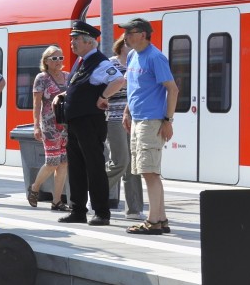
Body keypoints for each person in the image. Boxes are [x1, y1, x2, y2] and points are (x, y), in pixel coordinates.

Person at [59, 21, 126, 226]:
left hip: (90, 121)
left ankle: (101, 212)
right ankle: (78, 209)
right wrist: (62, 95)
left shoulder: (99, 62)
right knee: (77, 167)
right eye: (72, 39)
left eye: (76, 39)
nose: (72, 43)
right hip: (76, 122)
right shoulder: (82, 62)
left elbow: (119, 80)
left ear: (88, 42)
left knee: (94, 166)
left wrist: (103, 97)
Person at [121, 18, 179, 235]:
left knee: (149, 172)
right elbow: (134, 88)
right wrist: (127, 111)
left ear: (143, 34)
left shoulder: (155, 57)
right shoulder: (134, 55)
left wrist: (168, 120)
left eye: (130, 32)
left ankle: (153, 222)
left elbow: (172, 89)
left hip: (151, 121)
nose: (125, 36)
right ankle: (161, 218)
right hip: (137, 120)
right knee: (147, 170)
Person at [105, 35, 144, 220]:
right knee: (120, 161)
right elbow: (108, 88)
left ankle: (134, 209)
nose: (134, 49)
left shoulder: (138, 63)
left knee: (134, 164)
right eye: (130, 45)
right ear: (122, 46)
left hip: (135, 117)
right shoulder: (111, 64)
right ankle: (97, 192)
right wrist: (125, 80)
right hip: (114, 116)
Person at [26, 45, 69, 211]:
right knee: (52, 162)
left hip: (66, 126)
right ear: (46, 61)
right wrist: (36, 125)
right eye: (54, 58)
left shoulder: (67, 76)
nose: (58, 61)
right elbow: (36, 104)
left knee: (63, 163)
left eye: (60, 58)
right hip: (50, 126)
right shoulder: (41, 78)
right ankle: (35, 187)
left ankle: (57, 201)